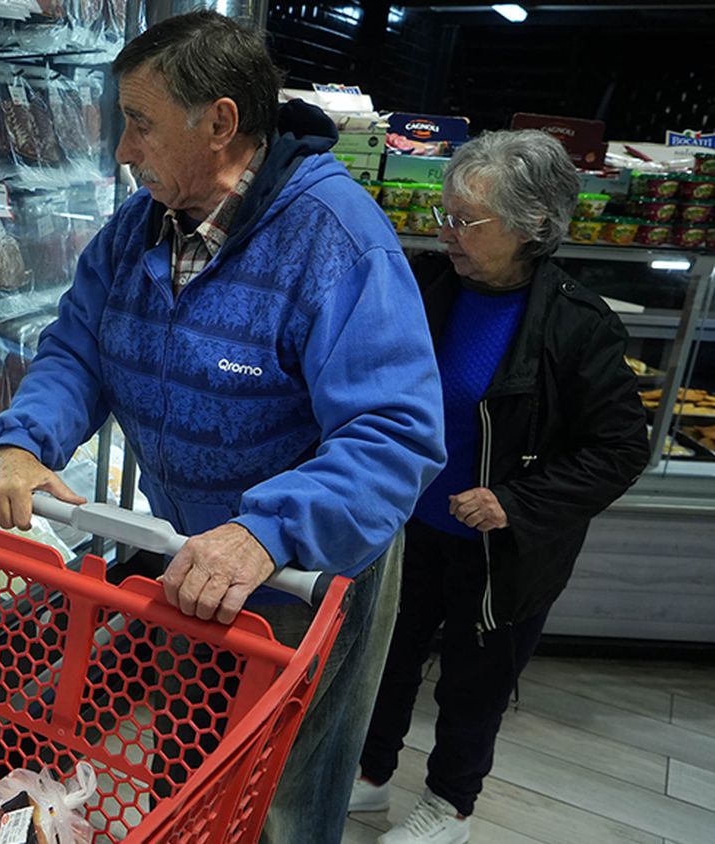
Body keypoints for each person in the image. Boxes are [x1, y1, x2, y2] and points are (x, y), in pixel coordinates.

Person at [0, 11, 447, 843]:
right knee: (186, 780)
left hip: (303, 571)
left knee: (279, 802)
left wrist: (264, 532)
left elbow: (394, 432)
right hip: (188, 556)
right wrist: (22, 440)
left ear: (220, 123)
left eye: (140, 123)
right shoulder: (137, 232)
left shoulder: (334, 240)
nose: (121, 149)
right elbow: (80, 350)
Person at [349, 130, 648, 844]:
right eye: (444, 214)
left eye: (466, 221)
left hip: (501, 549)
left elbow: (618, 449)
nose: (444, 232)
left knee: (474, 683)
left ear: (531, 226)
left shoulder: (577, 326)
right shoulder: (426, 285)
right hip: (410, 524)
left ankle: (451, 805)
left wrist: (513, 502)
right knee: (385, 658)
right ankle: (371, 774)